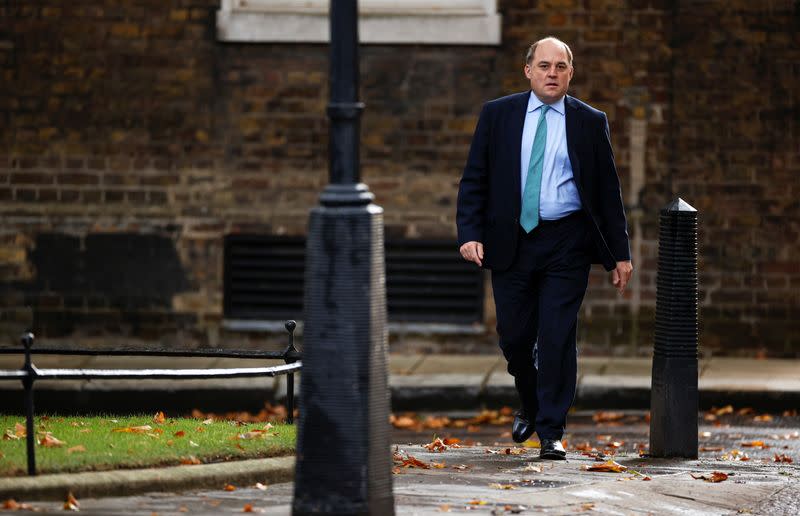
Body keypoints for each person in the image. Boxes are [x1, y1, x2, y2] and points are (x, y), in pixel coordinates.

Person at [456, 37, 633, 460]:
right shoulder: (498, 114)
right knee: (515, 338)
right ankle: (531, 404)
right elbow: (474, 178)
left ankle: (551, 431)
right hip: (511, 240)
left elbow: (608, 191)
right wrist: (469, 232)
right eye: (544, 66)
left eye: (561, 66)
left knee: (556, 337)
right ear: (528, 71)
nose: (552, 73)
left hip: (566, 242)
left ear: (571, 72)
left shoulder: (590, 121)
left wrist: (619, 254)